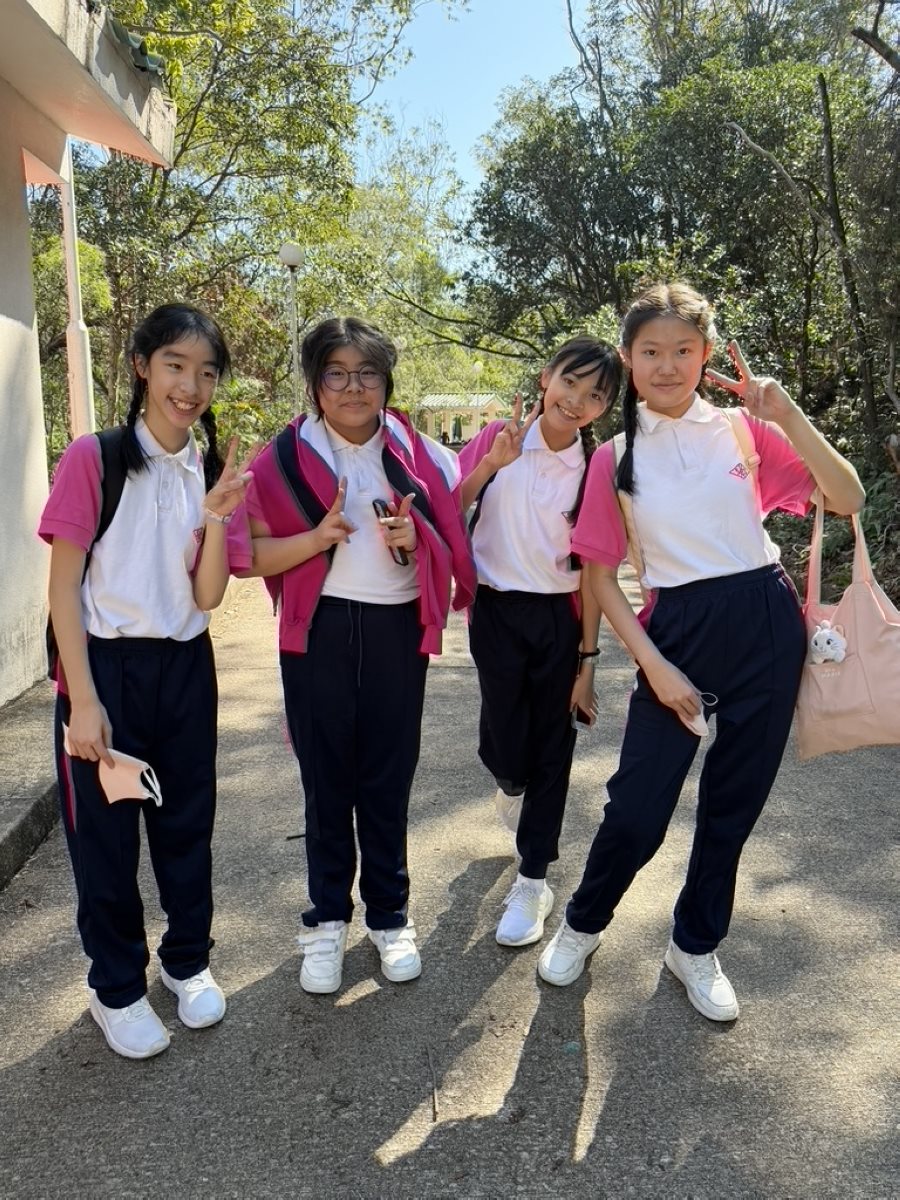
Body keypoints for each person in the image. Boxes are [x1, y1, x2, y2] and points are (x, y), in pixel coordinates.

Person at [538, 282, 864, 1020]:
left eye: (683, 350)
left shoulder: (744, 432)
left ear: (706, 354)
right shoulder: (614, 457)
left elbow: (846, 499)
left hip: (764, 623)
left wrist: (786, 413)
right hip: (675, 633)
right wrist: (653, 665)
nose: (667, 365)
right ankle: (583, 922)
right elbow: (598, 576)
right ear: (627, 358)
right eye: (650, 351)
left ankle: (695, 944)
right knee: (637, 809)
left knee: (732, 805)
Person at [39, 303, 255, 1059]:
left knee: (185, 825)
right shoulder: (93, 459)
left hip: (185, 667)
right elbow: (62, 590)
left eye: (206, 373)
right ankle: (116, 988)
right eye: (175, 366)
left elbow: (207, 596)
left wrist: (219, 516)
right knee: (103, 842)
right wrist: (83, 700)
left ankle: (187, 961)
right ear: (141, 366)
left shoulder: (210, 468)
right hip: (104, 668)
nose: (190, 387)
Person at [242, 317, 476, 995]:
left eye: (367, 372)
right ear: (315, 383)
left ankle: (389, 914)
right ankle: (326, 920)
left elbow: (451, 539)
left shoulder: (422, 456)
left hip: (396, 630)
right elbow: (249, 555)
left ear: (386, 382)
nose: (353, 387)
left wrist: (414, 539)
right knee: (326, 781)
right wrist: (317, 538)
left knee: (388, 776)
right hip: (318, 632)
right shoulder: (281, 460)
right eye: (337, 373)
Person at [458, 337, 623, 948]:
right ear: (546, 377)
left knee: (554, 747)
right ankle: (509, 785)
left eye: (594, 395)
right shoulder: (498, 438)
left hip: (559, 617)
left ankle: (533, 880)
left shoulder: (596, 469)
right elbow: (442, 511)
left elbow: (594, 572)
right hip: (495, 611)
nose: (576, 400)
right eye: (569, 383)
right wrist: (490, 465)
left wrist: (588, 662)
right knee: (505, 747)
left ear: (604, 408)